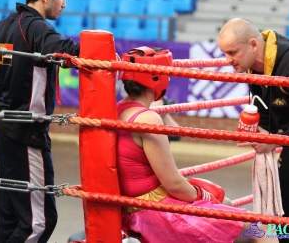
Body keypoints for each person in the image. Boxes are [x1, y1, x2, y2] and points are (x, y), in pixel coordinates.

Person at [116, 48, 277, 243]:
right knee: (262, 230)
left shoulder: (118, 109)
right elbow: (173, 184)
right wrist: (203, 195)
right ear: (157, 77)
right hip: (155, 212)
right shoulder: (147, 118)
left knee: (225, 202)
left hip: (134, 209)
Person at [0, 0, 80, 242]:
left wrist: (5, 113)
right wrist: (109, 53)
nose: (65, 4)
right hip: (27, 135)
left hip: (3, 130)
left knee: (10, 219)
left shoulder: (2, 26)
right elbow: (69, 52)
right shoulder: (37, 28)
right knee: (38, 222)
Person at [218, 18, 289, 243]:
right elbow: (265, 113)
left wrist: (274, 140)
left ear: (254, 44)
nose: (228, 60)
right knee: (283, 222)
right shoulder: (256, 70)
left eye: (233, 52)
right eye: (225, 53)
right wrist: (258, 133)